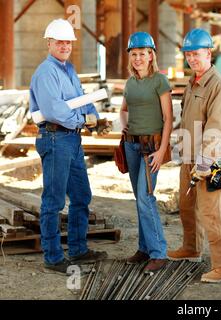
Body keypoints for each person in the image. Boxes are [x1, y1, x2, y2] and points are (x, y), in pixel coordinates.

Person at [30, 19, 111, 274]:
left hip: (72, 139)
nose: (65, 46)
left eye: (68, 42)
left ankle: (77, 249)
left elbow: (81, 99)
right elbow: (54, 111)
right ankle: (53, 257)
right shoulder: (46, 72)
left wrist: (94, 117)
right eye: (60, 42)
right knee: (53, 200)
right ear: (49, 43)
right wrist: (82, 121)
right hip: (55, 138)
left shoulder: (69, 70)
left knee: (81, 196)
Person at [168, 28, 221, 283]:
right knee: (186, 206)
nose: (192, 58)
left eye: (196, 54)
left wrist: (205, 160)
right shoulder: (192, 82)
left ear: (209, 52)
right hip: (189, 157)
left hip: (210, 161)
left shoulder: (218, 85)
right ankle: (191, 248)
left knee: (212, 213)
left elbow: (216, 126)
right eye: (188, 54)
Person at [119, 32, 173, 273]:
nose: (138, 58)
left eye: (143, 54)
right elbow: (123, 110)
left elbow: (169, 118)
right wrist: (123, 123)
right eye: (134, 54)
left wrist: (162, 150)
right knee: (139, 198)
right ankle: (143, 249)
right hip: (131, 145)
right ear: (130, 57)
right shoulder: (130, 83)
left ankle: (158, 253)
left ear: (151, 56)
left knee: (145, 196)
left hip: (152, 147)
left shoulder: (160, 82)